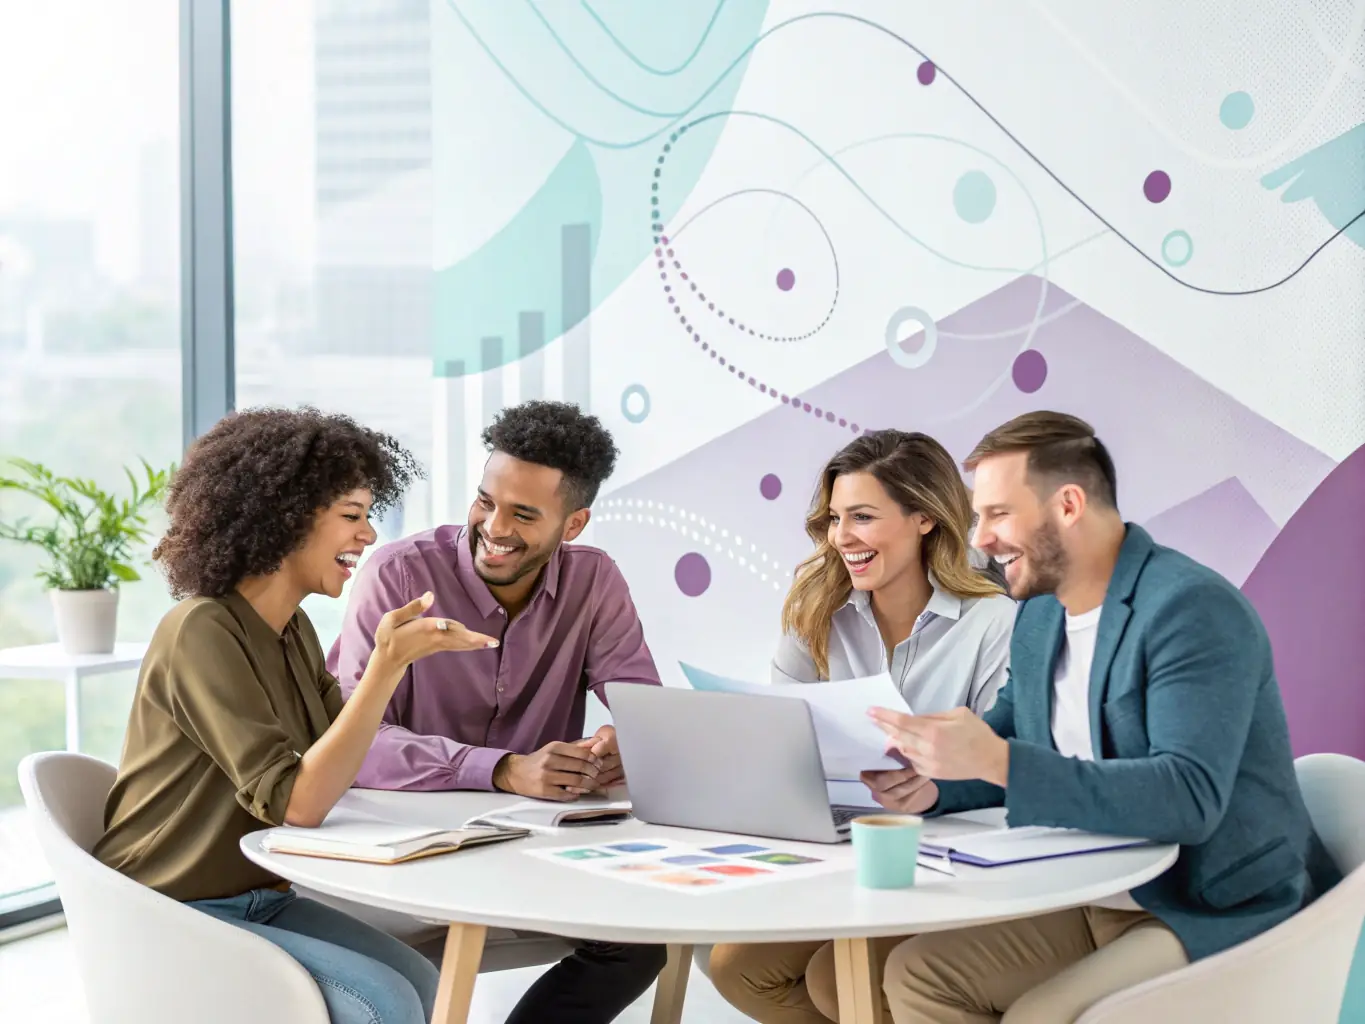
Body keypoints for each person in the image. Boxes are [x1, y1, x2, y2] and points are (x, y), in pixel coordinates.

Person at [866, 410, 1340, 1024]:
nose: (979, 538)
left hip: (1210, 906)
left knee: (1041, 1014)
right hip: (1096, 893)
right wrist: (935, 783)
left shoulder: (1190, 609)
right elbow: (1012, 736)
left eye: (998, 514)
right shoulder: (1040, 615)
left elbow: (1189, 799)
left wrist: (999, 760)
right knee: (916, 975)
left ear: (1067, 505)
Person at [95, 408, 501, 1024]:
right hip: (169, 905)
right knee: (384, 1002)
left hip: (260, 894)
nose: (368, 535)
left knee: (422, 977)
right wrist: (386, 667)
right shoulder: (201, 631)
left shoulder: (293, 630)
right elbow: (297, 804)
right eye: (351, 516)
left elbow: (346, 753)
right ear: (284, 519)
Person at [328, 399, 666, 1024]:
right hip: (400, 841)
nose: (494, 525)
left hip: (524, 844)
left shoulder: (595, 583)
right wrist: (504, 767)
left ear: (574, 524)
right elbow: (352, 744)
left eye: (524, 513)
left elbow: (643, 705)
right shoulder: (399, 576)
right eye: (487, 500)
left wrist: (630, 743)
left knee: (641, 942)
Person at [709, 429, 1017, 1024]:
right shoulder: (816, 610)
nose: (841, 537)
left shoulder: (991, 622)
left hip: (947, 857)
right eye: (833, 518)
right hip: (837, 849)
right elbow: (780, 736)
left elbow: (1004, 762)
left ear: (924, 518)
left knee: (838, 981)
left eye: (862, 517)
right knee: (735, 966)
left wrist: (936, 780)